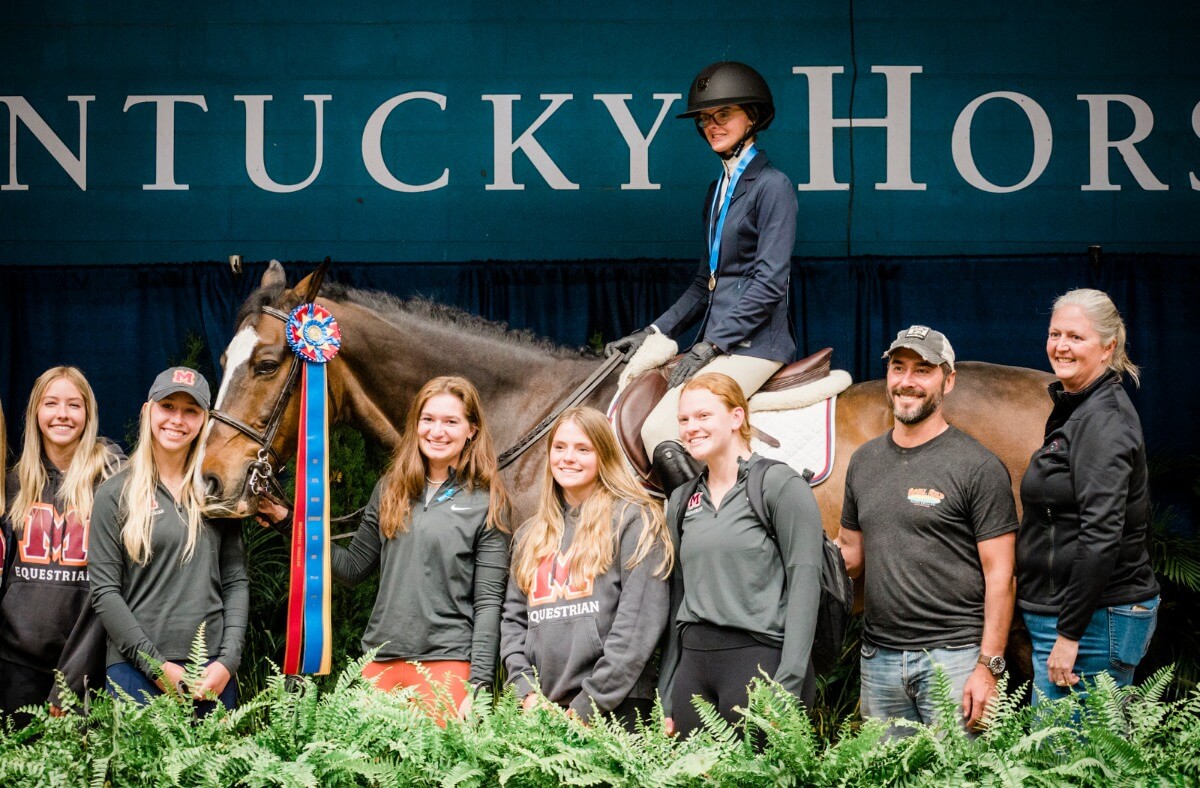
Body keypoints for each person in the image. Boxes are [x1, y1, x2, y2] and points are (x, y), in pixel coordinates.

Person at [604, 61, 799, 493]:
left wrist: (713, 344)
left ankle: (718, 529)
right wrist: (652, 331)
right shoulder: (718, 191)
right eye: (706, 119)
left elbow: (769, 283)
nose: (712, 126)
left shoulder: (773, 186)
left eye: (723, 115)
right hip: (717, 344)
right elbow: (703, 284)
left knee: (661, 431)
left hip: (754, 345)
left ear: (752, 116)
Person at [837, 327, 1018, 738]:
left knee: (961, 779)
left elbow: (1001, 576)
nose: (907, 382)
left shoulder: (978, 467)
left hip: (954, 660)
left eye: (923, 370)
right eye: (898, 368)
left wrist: (988, 668)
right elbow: (850, 553)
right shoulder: (864, 461)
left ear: (948, 380)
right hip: (878, 660)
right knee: (886, 777)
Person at [319, 376, 510, 719]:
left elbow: (488, 603)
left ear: (472, 430)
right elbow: (351, 568)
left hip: (447, 666)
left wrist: (479, 686)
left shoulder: (487, 501)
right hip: (380, 663)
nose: (437, 431)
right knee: (374, 773)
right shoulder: (389, 489)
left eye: (451, 421)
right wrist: (290, 521)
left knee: (437, 774)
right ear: (416, 425)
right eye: (428, 419)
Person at [657, 372, 822, 738]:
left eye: (703, 416)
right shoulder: (682, 500)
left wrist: (789, 685)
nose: (690, 428)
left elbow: (806, 583)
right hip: (694, 667)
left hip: (759, 660)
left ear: (736, 418)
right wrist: (666, 690)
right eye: (684, 420)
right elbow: (678, 599)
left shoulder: (779, 485)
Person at [1017, 289, 1159, 703]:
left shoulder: (1104, 422)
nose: (1061, 346)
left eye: (1076, 337)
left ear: (1108, 347)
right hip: (1072, 619)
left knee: (1073, 761)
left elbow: (1101, 535)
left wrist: (1069, 633)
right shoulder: (1078, 407)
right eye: (1055, 333)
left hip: (1094, 623)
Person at [501, 407, 672, 729]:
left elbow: (638, 628)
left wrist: (588, 706)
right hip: (541, 708)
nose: (568, 458)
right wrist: (526, 693)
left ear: (604, 456)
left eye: (583, 449)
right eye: (560, 447)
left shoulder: (634, 519)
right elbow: (513, 622)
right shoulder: (530, 535)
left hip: (614, 707)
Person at [90, 367, 248, 712]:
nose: (177, 420)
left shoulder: (216, 494)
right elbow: (104, 592)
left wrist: (228, 661)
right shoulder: (114, 493)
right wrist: (157, 668)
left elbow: (236, 582)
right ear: (148, 411)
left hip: (211, 676)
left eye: (190, 411)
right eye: (168, 407)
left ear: (205, 422)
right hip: (135, 672)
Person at [0, 366, 124, 721]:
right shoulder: (13, 484)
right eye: (51, 403)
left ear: (88, 414)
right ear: (35, 412)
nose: (62, 415)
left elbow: (114, 587)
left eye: (74, 405)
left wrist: (74, 676)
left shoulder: (113, 480)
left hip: (86, 664)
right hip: (15, 666)